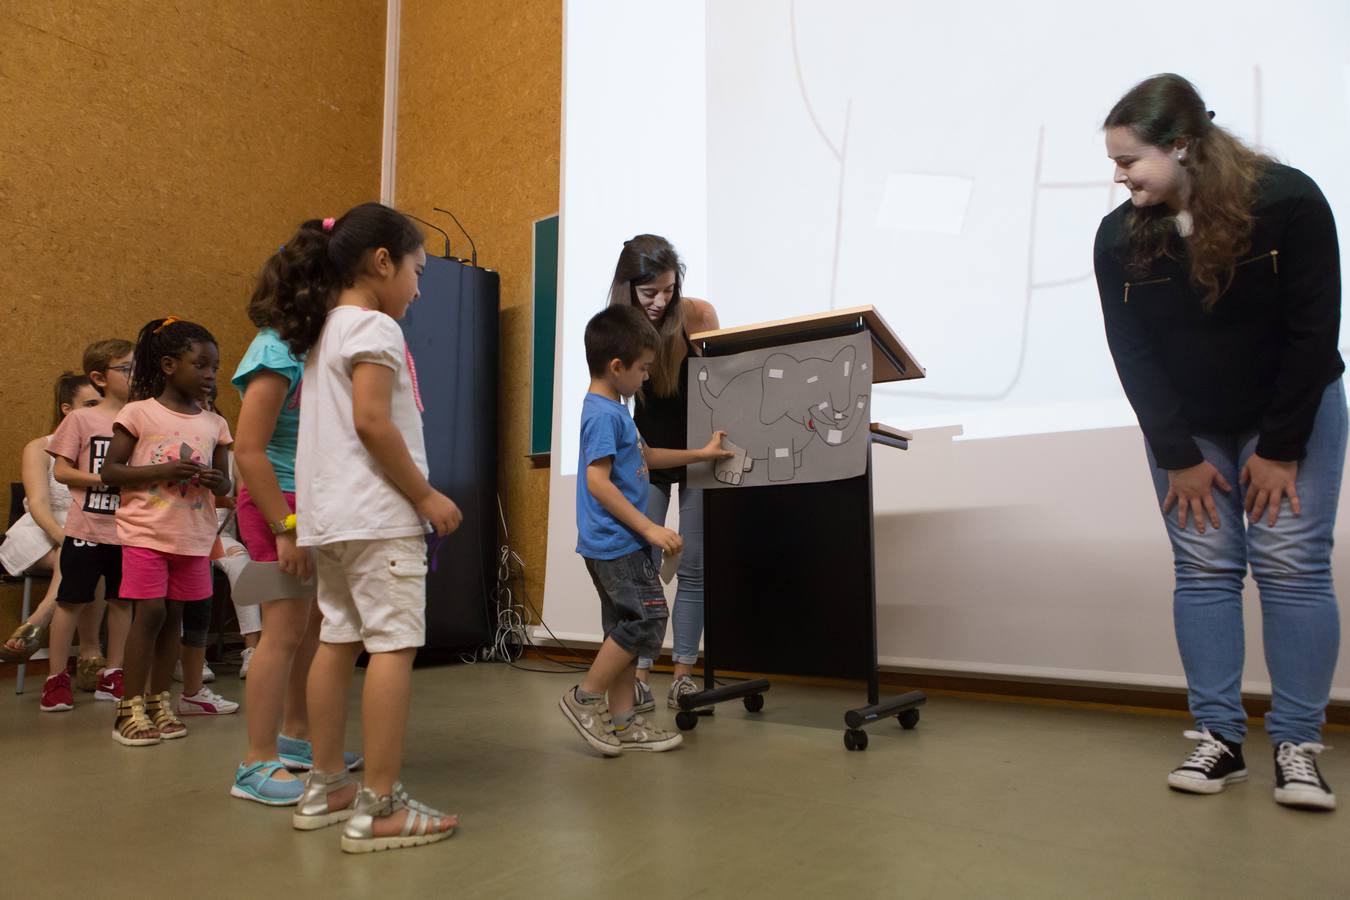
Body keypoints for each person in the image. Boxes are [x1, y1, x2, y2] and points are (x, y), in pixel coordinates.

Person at [1095, 73, 1344, 811]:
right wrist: (1177, 454)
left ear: (1181, 145)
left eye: (1128, 161)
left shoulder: (1289, 203)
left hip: (1288, 413)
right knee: (1203, 569)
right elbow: (1131, 353)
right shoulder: (1119, 236)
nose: (1119, 177)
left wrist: (1282, 444)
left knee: (1292, 566)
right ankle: (1220, 741)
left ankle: (1297, 744)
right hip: (1190, 427)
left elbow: (1312, 331)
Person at [282, 204, 457, 852]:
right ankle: (379, 803)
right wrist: (426, 496)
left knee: (337, 640)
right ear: (382, 262)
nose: (418, 286)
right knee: (391, 646)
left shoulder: (322, 333)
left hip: (331, 518)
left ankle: (326, 783)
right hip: (379, 517)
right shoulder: (376, 330)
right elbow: (373, 423)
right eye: (417, 270)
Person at [558, 305, 733, 756]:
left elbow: (647, 458)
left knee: (624, 626)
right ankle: (585, 699)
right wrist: (650, 529)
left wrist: (702, 454)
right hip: (618, 544)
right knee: (648, 617)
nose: (647, 379)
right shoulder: (602, 414)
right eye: (643, 370)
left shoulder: (616, 412)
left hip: (619, 543)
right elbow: (597, 483)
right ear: (617, 367)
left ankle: (622, 724)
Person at [230, 230, 364, 807]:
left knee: (311, 628)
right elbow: (249, 450)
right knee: (280, 635)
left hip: (306, 501)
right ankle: (255, 761)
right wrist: (285, 528)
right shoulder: (273, 349)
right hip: (275, 503)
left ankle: (296, 737)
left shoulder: (312, 349)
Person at [100, 316, 233, 747]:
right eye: (201, 365)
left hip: (192, 537)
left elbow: (226, 483)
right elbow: (111, 471)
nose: (210, 374)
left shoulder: (215, 423)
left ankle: (159, 701)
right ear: (171, 365)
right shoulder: (139, 412)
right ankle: (128, 708)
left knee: (174, 617)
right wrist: (164, 469)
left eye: (214, 366)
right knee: (151, 613)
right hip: (146, 532)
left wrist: (217, 482)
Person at [607, 235, 722, 713]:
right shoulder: (617, 328)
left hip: (699, 455)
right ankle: (639, 675)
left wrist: (712, 451)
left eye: (667, 290)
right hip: (648, 457)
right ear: (628, 286)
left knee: (692, 570)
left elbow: (722, 384)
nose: (659, 302)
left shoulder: (698, 315)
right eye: (648, 292)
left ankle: (683, 677)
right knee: (645, 571)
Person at [39, 340, 138, 711]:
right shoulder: (81, 419)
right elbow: (62, 471)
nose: (135, 375)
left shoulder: (141, 418)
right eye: (126, 369)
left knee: (122, 602)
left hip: (128, 530)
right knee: (71, 601)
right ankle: (55, 678)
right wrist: (106, 479)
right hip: (86, 529)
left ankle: (113, 672)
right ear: (99, 377)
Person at [1, 372, 104, 683]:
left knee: (88, 556)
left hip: (84, 533)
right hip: (40, 533)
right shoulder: (39, 448)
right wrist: (69, 540)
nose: (97, 411)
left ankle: (45, 626)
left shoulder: (100, 451)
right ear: (66, 410)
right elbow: (39, 506)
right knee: (79, 553)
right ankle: (89, 649)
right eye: (89, 404)